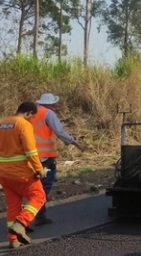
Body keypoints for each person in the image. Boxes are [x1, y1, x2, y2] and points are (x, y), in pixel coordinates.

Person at [0, 101, 47, 249]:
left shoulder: (1, 124)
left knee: (13, 205)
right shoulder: (23, 125)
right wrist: (39, 169)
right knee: (38, 196)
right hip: (21, 173)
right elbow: (30, 151)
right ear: (28, 113)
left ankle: (13, 239)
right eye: (32, 117)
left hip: (4, 174)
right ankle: (21, 223)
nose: (31, 120)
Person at [31, 92, 87, 226]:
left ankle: (39, 215)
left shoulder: (30, 113)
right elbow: (60, 132)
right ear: (50, 104)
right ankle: (32, 213)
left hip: (30, 157)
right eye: (54, 105)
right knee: (45, 187)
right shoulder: (48, 113)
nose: (55, 108)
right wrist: (76, 143)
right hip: (45, 158)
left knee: (35, 186)